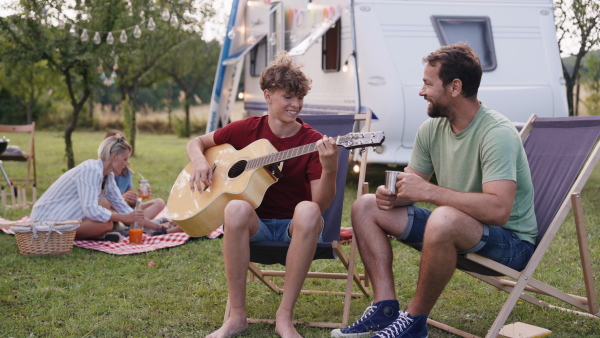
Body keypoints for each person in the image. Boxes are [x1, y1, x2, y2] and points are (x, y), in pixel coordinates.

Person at [331, 43, 537, 338]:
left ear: (455, 87)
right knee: (365, 206)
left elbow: (498, 210)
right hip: (457, 229)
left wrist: (428, 191)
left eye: (428, 83)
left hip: (510, 245)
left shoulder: (496, 133)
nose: (421, 91)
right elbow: (410, 187)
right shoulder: (432, 129)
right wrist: (391, 195)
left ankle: (413, 322)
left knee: (444, 218)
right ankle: (385, 309)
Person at [187, 52, 338, 338]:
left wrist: (329, 169)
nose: (296, 105)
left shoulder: (313, 141)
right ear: (268, 95)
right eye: (288, 97)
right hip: (257, 227)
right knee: (234, 209)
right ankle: (237, 317)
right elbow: (197, 142)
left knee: (307, 209)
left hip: (295, 230)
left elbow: (322, 204)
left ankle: (284, 317)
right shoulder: (247, 129)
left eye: (300, 98)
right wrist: (199, 162)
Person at [30, 133, 145, 241]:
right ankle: (65, 239)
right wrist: (123, 218)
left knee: (106, 222)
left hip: (62, 220)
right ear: (114, 156)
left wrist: (158, 227)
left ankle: (93, 236)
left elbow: (123, 208)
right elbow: (91, 210)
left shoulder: (108, 176)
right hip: (44, 222)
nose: (126, 164)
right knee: (106, 222)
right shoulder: (91, 169)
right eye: (125, 159)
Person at [98, 130, 174, 234]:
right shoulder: (103, 173)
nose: (126, 163)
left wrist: (137, 198)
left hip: (125, 211)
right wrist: (123, 197)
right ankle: (138, 226)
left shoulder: (124, 172)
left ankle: (139, 225)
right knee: (111, 216)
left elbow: (130, 205)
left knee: (159, 202)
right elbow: (101, 206)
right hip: (112, 213)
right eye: (124, 158)